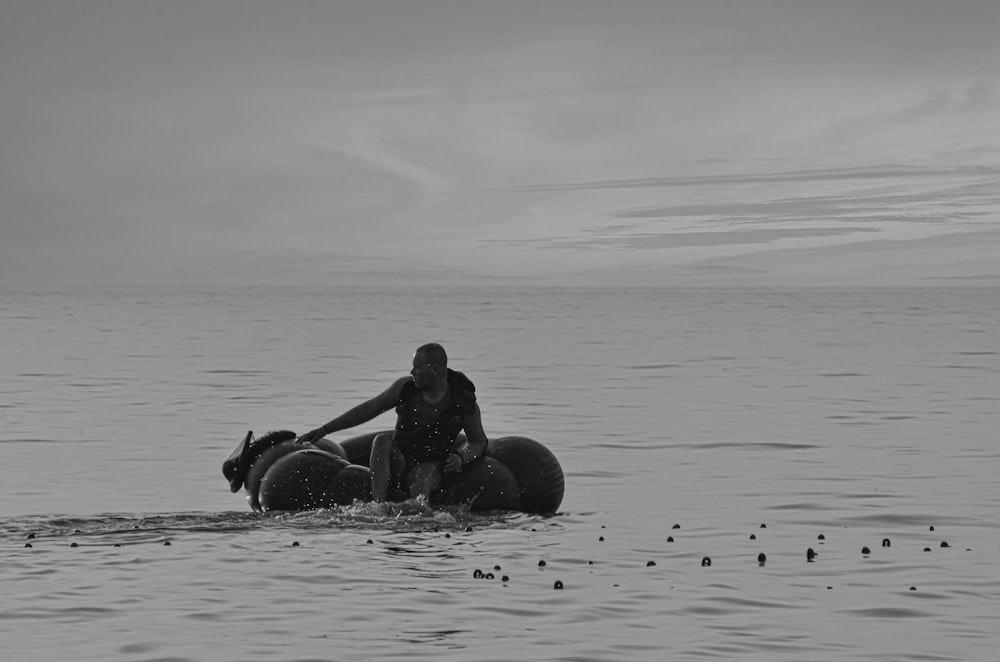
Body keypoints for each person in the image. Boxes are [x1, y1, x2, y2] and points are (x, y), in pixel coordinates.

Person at [298, 343, 488, 502]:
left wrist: (462, 457)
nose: (412, 371)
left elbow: (478, 441)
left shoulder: (462, 402)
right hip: (400, 459)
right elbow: (369, 409)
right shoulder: (405, 389)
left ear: (435, 369)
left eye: (417, 367)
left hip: (432, 465)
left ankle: (419, 512)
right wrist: (325, 429)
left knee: (424, 472)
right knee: (382, 440)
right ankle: (378, 505)